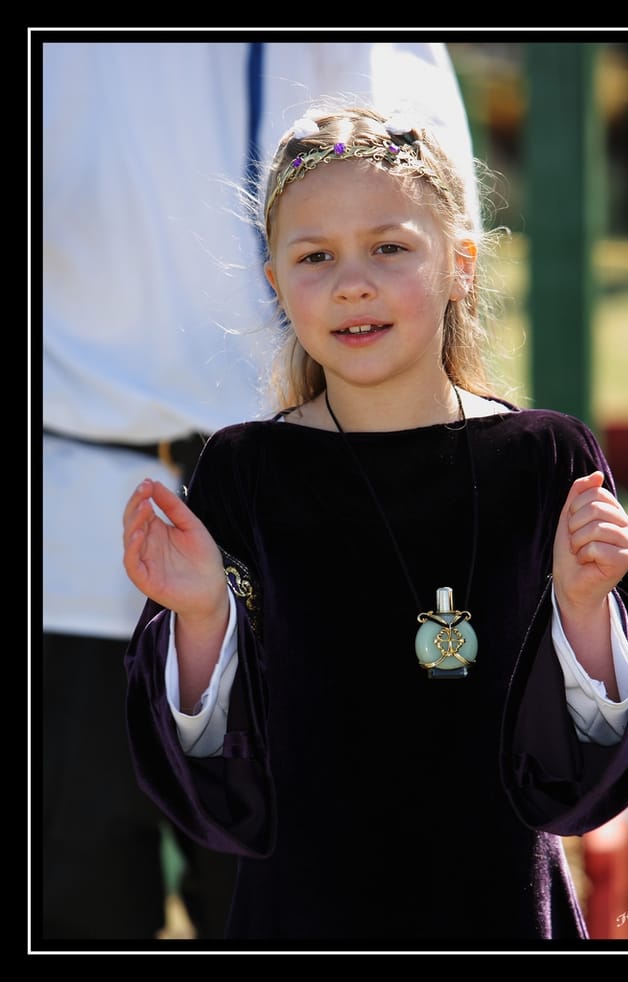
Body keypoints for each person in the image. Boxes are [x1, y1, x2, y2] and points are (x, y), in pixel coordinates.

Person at [121, 104, 628, 947]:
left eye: (390, 247)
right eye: (316, 257)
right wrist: (202, 617)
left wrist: (584, 605)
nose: (354, 282)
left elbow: (592, 763)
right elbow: (218, 782)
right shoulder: (246, 471)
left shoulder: (544, 459)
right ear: (275, 282)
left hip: (495, 908)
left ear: (460, 264)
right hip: (305, 913)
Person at [41, 39, 477, 942]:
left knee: (293, 908)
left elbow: (427, 249)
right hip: (64, 536)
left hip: (309, 536)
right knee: (67, 899)